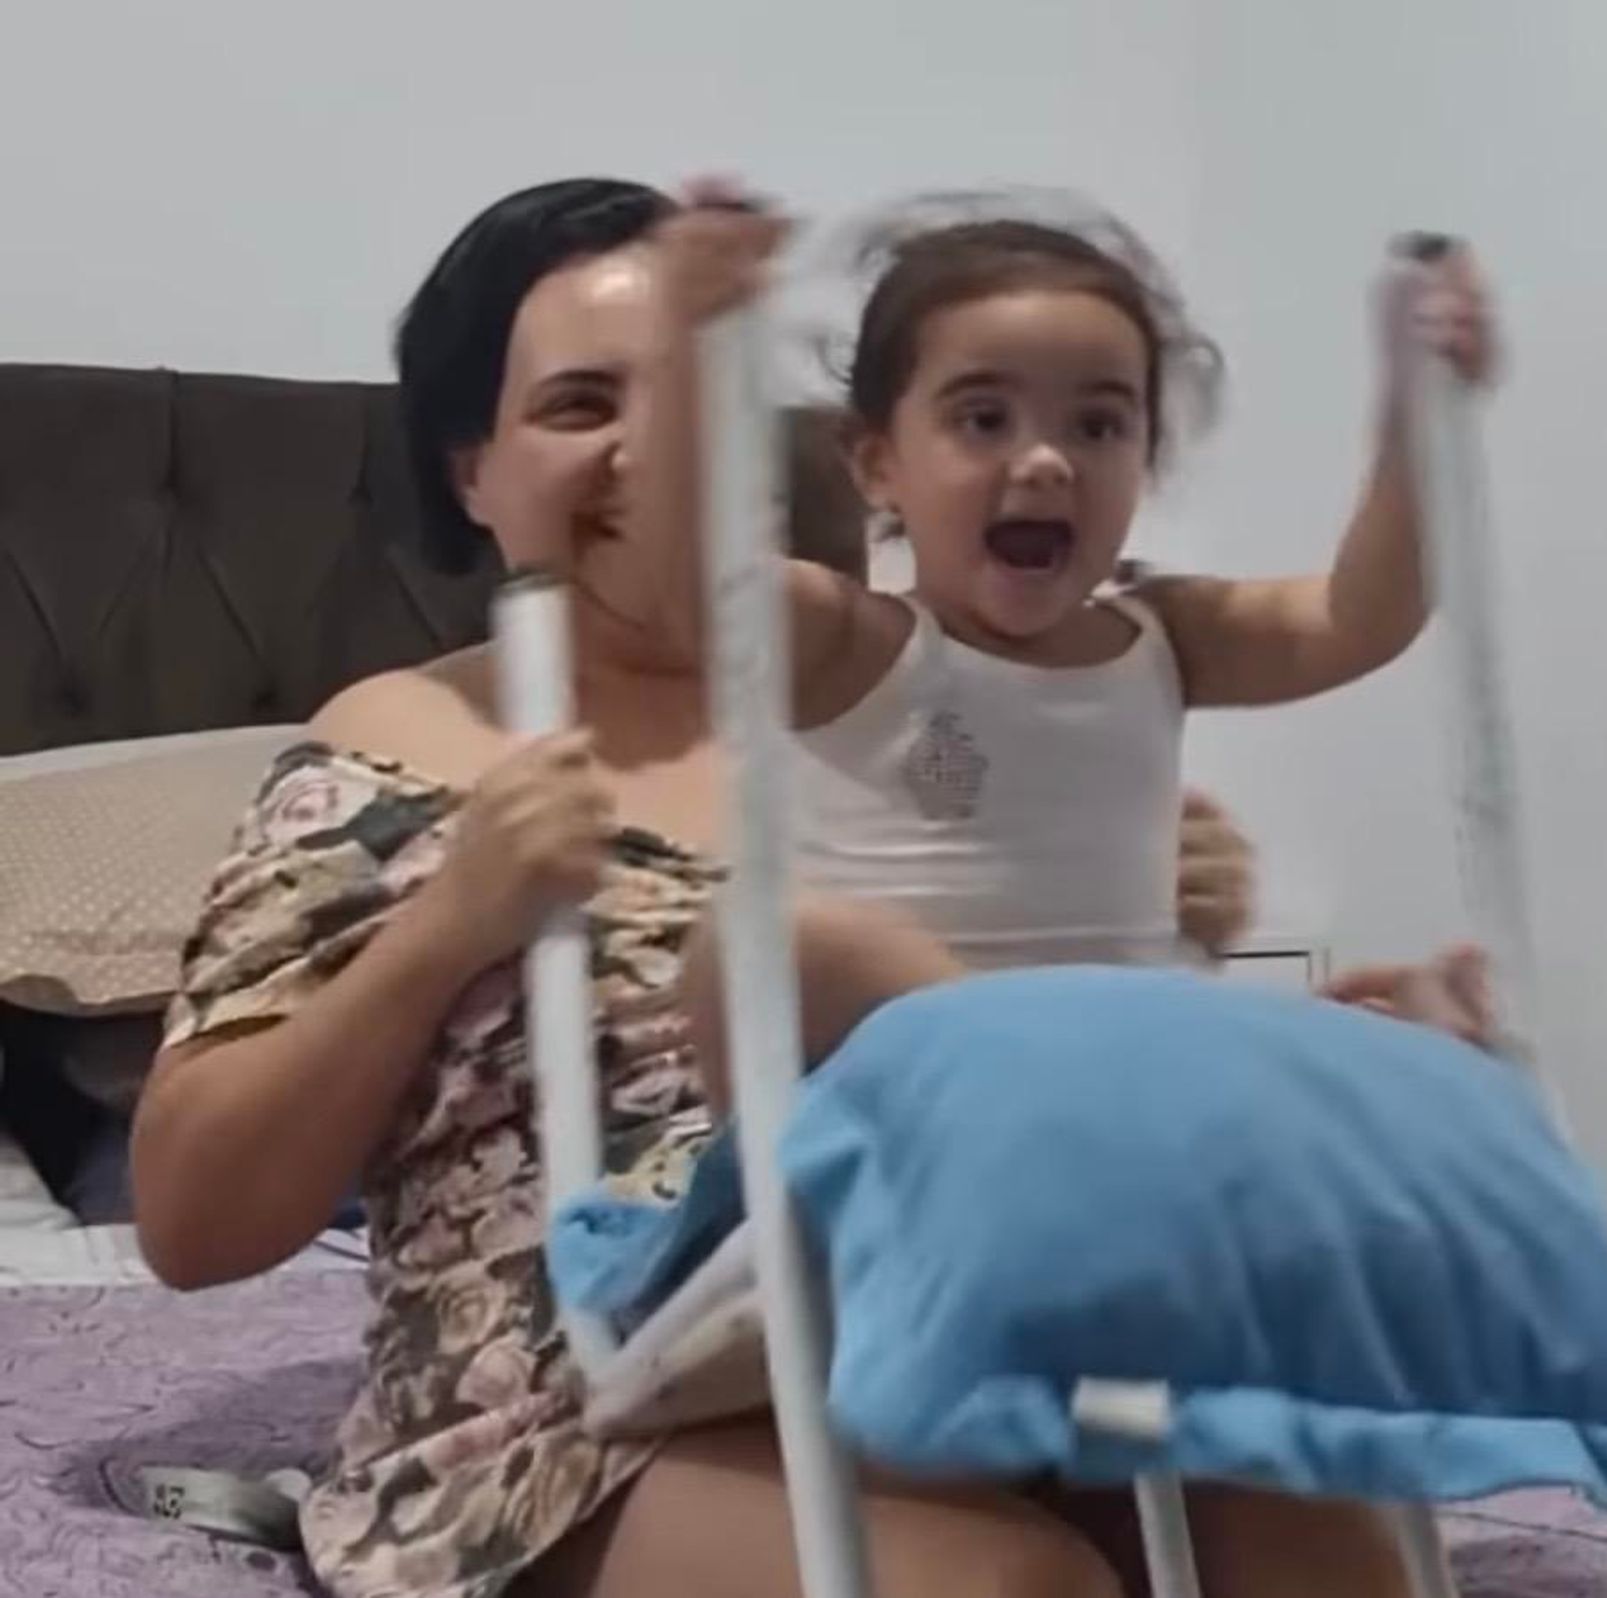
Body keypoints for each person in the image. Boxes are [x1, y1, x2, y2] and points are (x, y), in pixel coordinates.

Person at [130, 176, 1488, 1598]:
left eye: (688, 394)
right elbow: (193, 1218)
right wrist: (448, 923)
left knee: (1336, 1526)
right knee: (1013, 1590)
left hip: (986, 1310)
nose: (646, 454)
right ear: (470, 468)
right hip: (591, 1403)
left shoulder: (901, 692)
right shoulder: (389, 749)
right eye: (583, 405)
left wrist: (1169, 922)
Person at [653, 197, 1498, 1120]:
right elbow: (696, 590)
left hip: (1125, 1071)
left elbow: (1357, 618)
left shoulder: (1166, 638)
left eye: (1097, 426)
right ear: (876, 464)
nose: (1048, 461)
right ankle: (1043, 1076)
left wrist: (1412, 417)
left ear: (1146, 456)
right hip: (911, 1104)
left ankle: (1154, 1088)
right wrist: (689, 350)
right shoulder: (852, 645)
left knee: (1391, 1036)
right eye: (984, 420)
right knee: (769, 935)